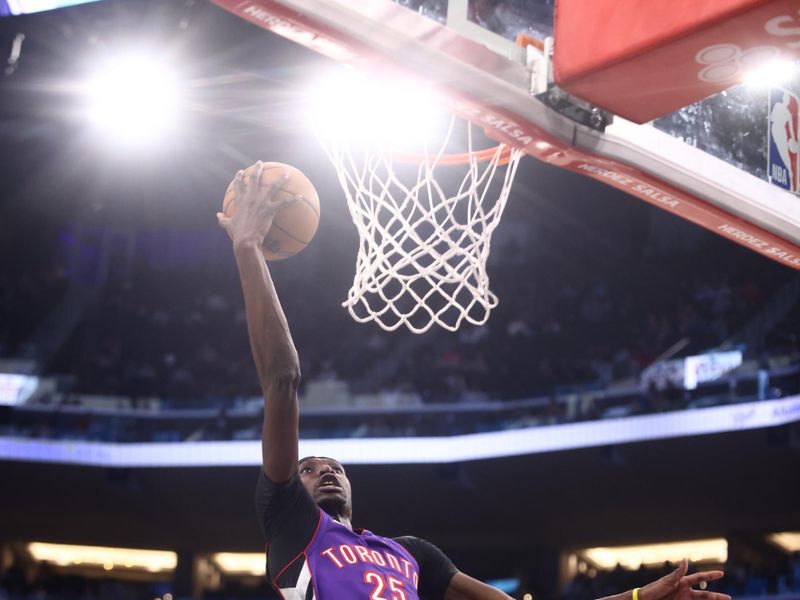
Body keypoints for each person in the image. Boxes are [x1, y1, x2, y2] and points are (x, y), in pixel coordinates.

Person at [218, 162, 733, 600]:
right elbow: (282, 380)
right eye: (309, 468)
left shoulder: (413, 554)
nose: (325, 471)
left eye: (334, 466)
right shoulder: (292, 523)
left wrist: (640, 596)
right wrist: (247, 249)